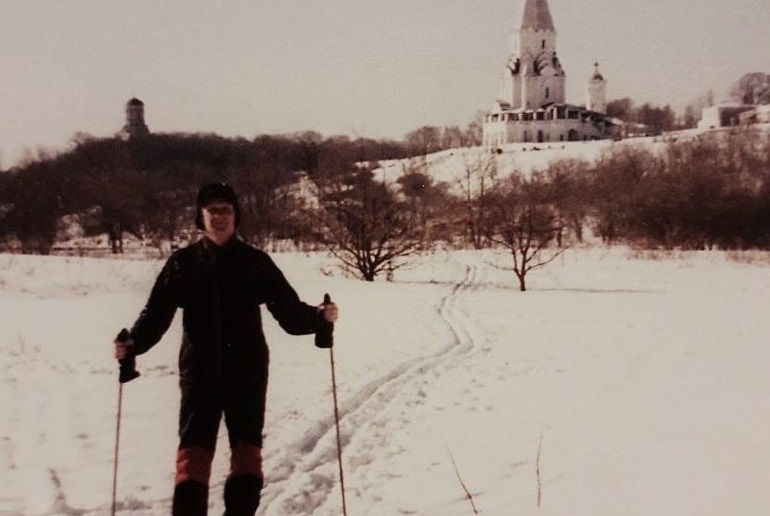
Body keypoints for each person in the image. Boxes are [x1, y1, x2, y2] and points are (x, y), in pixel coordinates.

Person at [114, 182, 338, 515]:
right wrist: (133, 342)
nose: (220, 217)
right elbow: (156, 315)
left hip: (246, 372)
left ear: (236, 216)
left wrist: (318, 317)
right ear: (200, 217)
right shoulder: (183, 263)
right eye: (213, 210)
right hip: (198, 372)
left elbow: (289, 313)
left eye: (227, 210)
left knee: (247, 454)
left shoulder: (255, 262)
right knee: (193, 455)